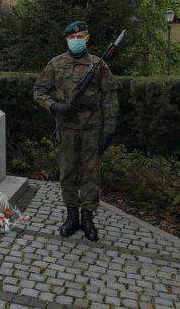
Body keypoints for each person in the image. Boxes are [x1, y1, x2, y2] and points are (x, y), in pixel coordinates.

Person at [33, 21, 119, 241]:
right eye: (72, 38)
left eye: (80, 36)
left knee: (91, 173)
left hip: (92, 128)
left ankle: (87, 218)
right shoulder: (56, 64)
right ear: (66, 40)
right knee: (68, 173)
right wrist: (55, 106)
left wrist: (109, 129)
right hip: (67, 128)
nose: (76, 41)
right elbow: (39, 90)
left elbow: (110, 97)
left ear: (87, 38)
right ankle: (71, 217)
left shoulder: (98, 65)